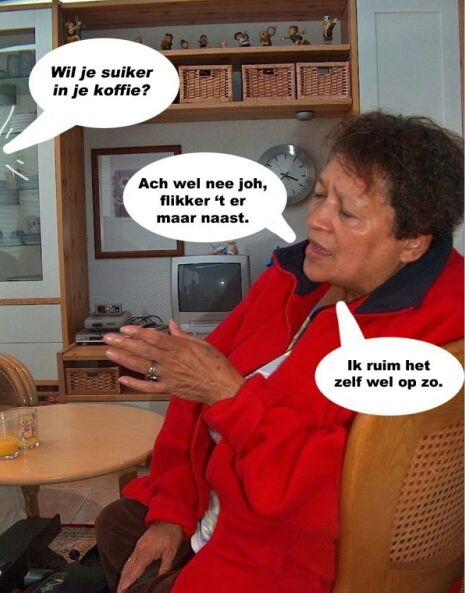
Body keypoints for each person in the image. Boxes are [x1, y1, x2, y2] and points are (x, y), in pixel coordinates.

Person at [96, 112, 464, 593]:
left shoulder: (441, 335)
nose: (315, 220)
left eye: (347, 214)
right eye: (320, 196)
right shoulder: (294, 278)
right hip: (219, 506)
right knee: (117, 523)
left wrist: (230, 396)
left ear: (412, 243)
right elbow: (196, 387)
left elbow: (345, 499)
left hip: (295, 557)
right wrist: (172, 512)